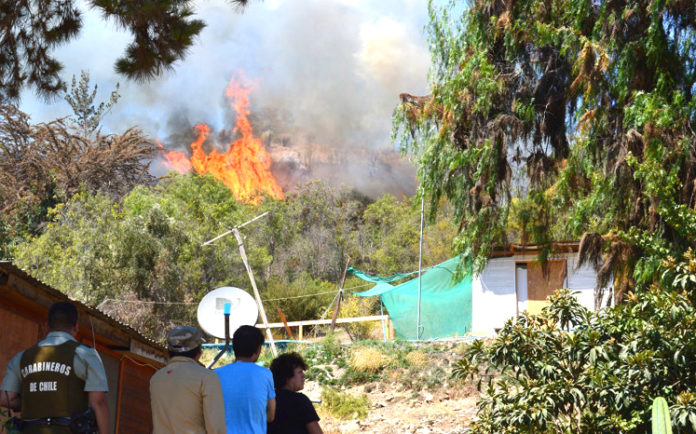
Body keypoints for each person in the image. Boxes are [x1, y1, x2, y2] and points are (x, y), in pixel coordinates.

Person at [0, 302, 110, 433]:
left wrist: (37, 399)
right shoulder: (85, 355)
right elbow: (99, 402)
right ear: (76, 327)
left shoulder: (21, 358)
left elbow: (5, 398)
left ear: (46, 326)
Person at [150, 325, 226, 434]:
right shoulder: (206, 378)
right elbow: (216, 428)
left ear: (169, 350)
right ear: (199, 350)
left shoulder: (156, 378)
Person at [215, 325, 275, 434]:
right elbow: (270, 415)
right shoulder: (265, 374)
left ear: (234, 348)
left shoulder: (215, 374)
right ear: (258, 349)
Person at [268, 353, 323, 434]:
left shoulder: (267, 401)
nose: (303, 375)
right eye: (300, 372)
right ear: (287, 376)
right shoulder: (300, 401)